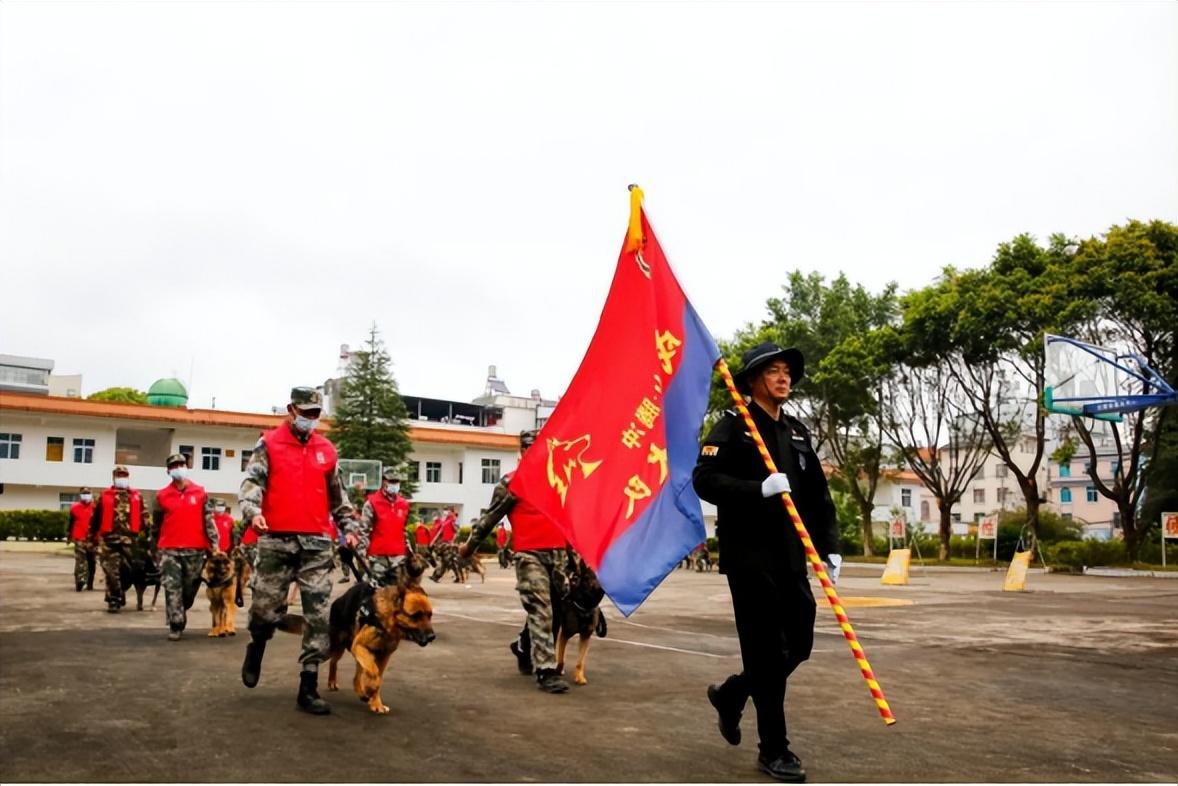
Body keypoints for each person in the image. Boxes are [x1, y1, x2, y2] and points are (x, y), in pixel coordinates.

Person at [692, 342, 841, 783]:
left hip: (792, 555)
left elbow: (817, 495)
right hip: (749, 557)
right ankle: (774, 748)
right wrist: (756, 489)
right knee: (763, 651)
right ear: (755, 380)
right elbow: (705, 478)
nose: (784, 379)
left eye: (787, 372)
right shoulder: (733, 426)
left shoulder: (797, 431)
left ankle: (734, 692)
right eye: (774, 371)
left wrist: (829, 545)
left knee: (798, 643)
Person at [238, 386, 359, 715]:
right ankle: (258, 643)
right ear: (291, 409)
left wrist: (350, 530)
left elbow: (339, 498)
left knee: (318, 616)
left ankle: (308, 686)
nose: (311, 419)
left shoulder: (326, 450)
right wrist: (253, 512)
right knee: (265, 608)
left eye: (316, 414)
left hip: (317, 544)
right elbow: (252, 484)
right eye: (305, 413)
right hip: (276, 539)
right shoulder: (269, 444)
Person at [460, 430, 570, 694]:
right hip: (529, 554)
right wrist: (469, 547)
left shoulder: (559, 477)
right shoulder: (511, 484)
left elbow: (573, 515)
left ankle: (523, 645)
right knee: (542, 609)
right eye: (528, 449)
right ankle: (546, 671)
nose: (534, 453)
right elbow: (489, 518)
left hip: (558, 554)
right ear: (521, 452)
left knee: (553, 610)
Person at [153, 454, 222, 641]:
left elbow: (209, 521)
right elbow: (156, 525)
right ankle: (176, 625)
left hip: (196, 550)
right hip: (169, 549)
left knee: (189, 589)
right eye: (174, 465)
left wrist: (215, 545)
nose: (178, 468)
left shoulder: (200, 492)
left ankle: (181, 610)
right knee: (172, 587)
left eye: (181, 464)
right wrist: (154, 549)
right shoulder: (161, 496)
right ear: (168, 471)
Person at [88, 465, 150, 613]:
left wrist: (147, 538)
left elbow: (145, 518)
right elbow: (94, 519)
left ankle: (120, 591)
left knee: (129, 571)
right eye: (119, 475)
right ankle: (113, 600)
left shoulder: (137, 496)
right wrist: (91, 538)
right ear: (114, 477)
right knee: (111, 571)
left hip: (130, 541)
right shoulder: (104, 496)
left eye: (124, 475)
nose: (121, 478)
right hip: (110, 541)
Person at [356, 469, 412, 587]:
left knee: (397, 592)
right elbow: (364, 530)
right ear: (383, 481)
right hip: (378, 556)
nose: (394, 484)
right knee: (377, 591)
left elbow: (403, 530)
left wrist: (410, 552)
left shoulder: (404, 504)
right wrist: (361, 555)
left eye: (396, 481)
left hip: (398, 557)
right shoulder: (372, 503)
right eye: (391, 481)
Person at [68, 487, 97, 592]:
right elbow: (71, 523)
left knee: (91, 561)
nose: (86, 495)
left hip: (92, 538)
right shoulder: (75, 508)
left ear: (91, 494)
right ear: (80, 495)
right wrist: (69, 535)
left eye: (88, 493)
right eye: (84, 493)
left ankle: (90, 583)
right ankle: (80, 580)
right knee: (80, 560)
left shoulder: (95, 507)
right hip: (79, 536)